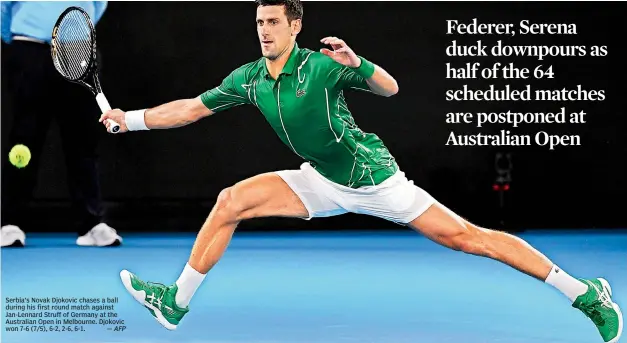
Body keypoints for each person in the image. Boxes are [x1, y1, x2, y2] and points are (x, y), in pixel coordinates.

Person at [103, 0, 622, 341]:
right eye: (259, 22)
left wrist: (360, 63)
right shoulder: (249, 78)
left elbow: (390, 89)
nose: (264, 31)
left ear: (295, 25)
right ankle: (176, 304)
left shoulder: (325, 65)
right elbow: (192, 107)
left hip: (374, 180)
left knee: (472, 239)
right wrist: (131, 120)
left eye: (274, 22)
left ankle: (583, 294)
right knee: (230, 201)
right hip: (320, 180)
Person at [1, 1, 122, 247]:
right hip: (28, 48)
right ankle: (9, 223)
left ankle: (92, 224)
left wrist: (74, 34)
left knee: (83, 142)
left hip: (78, 51)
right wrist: (16, 39)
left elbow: (98, 5)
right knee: (24, 140)